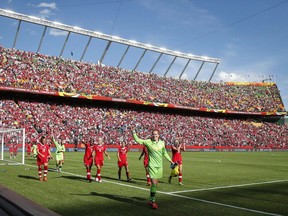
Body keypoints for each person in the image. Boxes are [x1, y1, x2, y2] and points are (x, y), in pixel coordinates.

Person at [132, 128, 174, 210]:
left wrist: (171, 161)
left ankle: (151, 199)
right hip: (152, 166)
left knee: (155, 184)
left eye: (156, 134)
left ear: (158, 135)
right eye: (153, 134)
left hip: (160, 166)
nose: (155, 135)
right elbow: (138, 140)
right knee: (154, 183)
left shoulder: (162, 143)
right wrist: (133, 132)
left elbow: (164, 153)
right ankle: (153, 202)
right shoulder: (148, 142)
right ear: (152, 135)